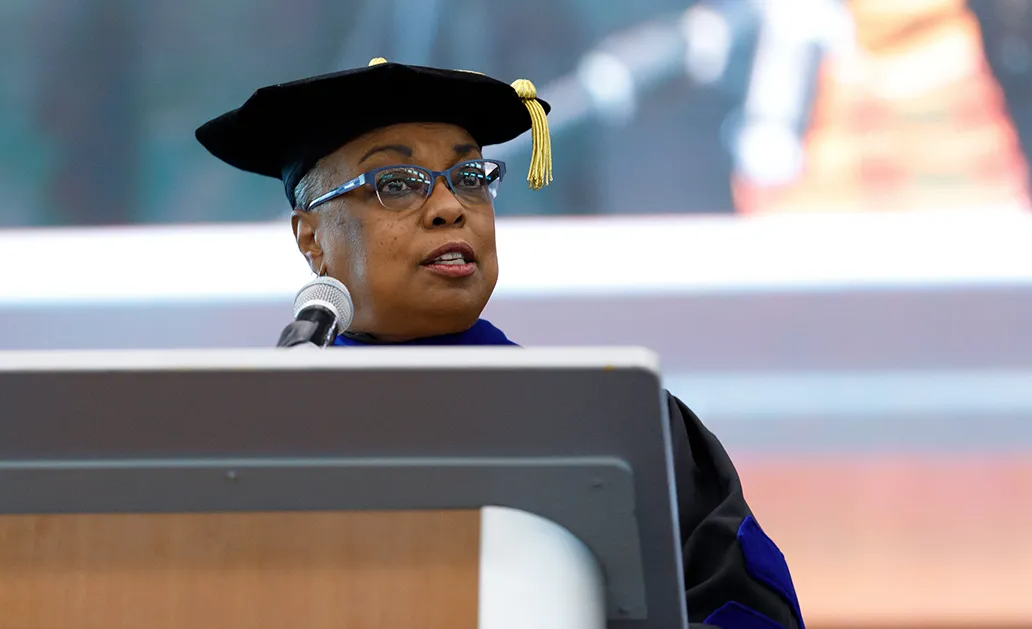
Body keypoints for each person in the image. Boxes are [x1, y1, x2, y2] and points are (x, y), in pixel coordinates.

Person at [195, 58, 804, 629]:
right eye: (398, 183)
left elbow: (740, 604)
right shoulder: (254, 433)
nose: (449, 208)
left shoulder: (610, 418)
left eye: (469, 177)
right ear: (311, 239)